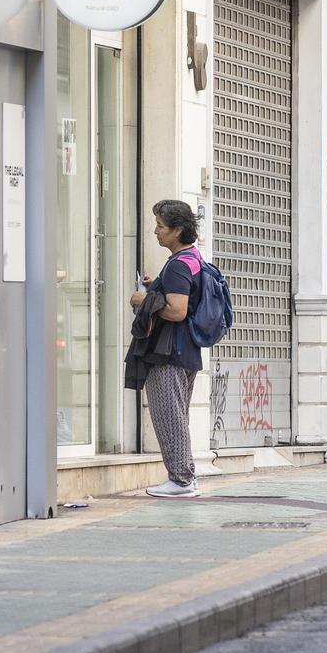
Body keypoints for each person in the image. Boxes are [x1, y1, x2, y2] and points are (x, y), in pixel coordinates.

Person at [128, 200, 204, 498]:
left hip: (167, 352)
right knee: (177, 416)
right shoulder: (194, 259)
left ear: (178, 230)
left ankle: (181, 480)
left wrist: (142, 301)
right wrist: (155, 286)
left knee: (168, 416)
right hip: (186, 351)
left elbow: (177, 310)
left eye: (161, 226)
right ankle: (184, 477)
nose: (156, 232)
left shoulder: (177, 267)